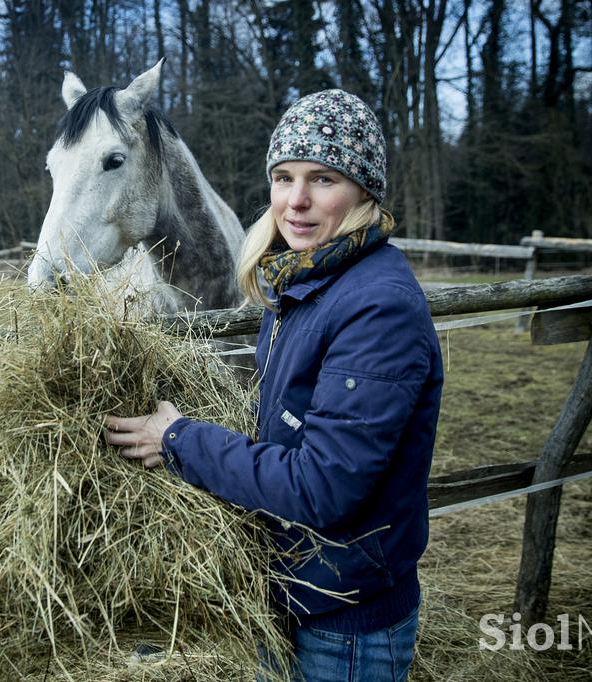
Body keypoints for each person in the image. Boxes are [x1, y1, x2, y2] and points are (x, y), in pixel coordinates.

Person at [104, 89, 443, 682]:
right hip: (292, 589)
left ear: (364, 189)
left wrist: (180, 440)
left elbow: (323, 487)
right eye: (283, 177)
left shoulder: (376, 308)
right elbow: (284, 425)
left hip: (345, 619)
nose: (297, 201)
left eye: (323, 178)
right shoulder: (303, 283)